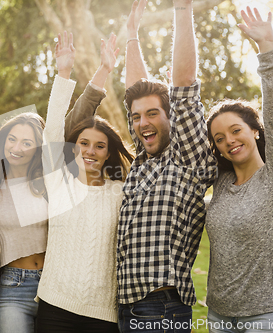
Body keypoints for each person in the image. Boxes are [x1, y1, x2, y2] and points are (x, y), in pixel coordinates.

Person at [0, 33, 112, 333]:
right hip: (12, 287)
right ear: (2, 142)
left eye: (27, 141)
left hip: (57, 286)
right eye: (12, 139)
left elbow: (78, 116)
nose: (17, 146)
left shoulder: (51, 177)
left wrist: (92, 71)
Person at [116, 0, 218, 332]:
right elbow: (136, 93)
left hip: (160, 310)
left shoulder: (187, 157)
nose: (142, 123)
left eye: (153, 114)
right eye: (136, 118)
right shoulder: (144, 159)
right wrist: (132, 36)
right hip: (128, 306)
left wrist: (182, 9)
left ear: (172, 116)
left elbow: (184, 85)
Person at [35, 32, 134, 333]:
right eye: (83, 143)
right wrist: (64, 71)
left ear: (108, 153)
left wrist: (108, 67)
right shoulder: (58, 180)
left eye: (99, 146)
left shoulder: (120, 193)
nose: (90, 151)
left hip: (102, 314)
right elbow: (52, 128)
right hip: (54, 306)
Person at [204, 7, 273, 332]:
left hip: (265, 316)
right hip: (217, 314)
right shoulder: (221, 181)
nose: (229, 141)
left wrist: (266, 50)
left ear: (255, 130)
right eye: (219, 138)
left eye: (235, 130)